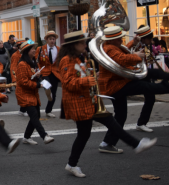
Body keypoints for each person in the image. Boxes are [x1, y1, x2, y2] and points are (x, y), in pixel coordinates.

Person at [57, 31, 157, 178]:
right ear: (74, 45)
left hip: (89, 100)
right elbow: (67, 83)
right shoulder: (66, 60)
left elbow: (82, 76)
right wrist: (87, 81)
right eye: (82, 43)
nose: (86, 45)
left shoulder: (80, 58)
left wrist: (93, 76)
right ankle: (136, 144)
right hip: (79, 104)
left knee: (90, 132)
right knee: (97, 129)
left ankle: (72, 164)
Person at [97, 26, 169, 154]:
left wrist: (133, 44)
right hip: (115, 85)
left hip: (117, 83)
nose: (121, 39)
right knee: (142, 86)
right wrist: (137, 56)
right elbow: (121, 58)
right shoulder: (109, 49)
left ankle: (107, 143)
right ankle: (166, 86)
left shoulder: (112, 46)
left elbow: (122, 50)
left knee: (121, 115)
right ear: (113, 39)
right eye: (119, 38)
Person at [16, 41, 54, 145]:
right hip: (24, 94)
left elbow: (34, 78)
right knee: (34, 115)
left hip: (32, 93)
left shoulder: (32, 62)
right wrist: (38, 85)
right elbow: (23, 82)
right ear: (27, 51)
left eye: (34, 48)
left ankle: (26, 137)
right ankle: (44, 136)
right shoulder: (22, 64)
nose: (34, 50)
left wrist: (38, 77)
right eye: (32, 49)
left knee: (36, 115)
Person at [35, 31, 60, 117]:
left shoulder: (58, 49)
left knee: (54, 94)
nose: (52, 41)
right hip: (44, 72)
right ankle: (47, 89)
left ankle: (48, 111)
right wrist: (38, 70)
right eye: (50, 39)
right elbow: (36, 61)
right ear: (46, 40)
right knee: (47, 85)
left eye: (53, 39)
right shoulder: (40, 49)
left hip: (55, 72)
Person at [10, 39, 26, 115]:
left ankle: (23, 110)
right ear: (19, 46)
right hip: (19, 77)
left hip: (26, 76)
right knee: (22, 94)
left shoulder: (26, 54)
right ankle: (23, 110)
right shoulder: (15, 55)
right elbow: (13, 67)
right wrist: (14, 79)